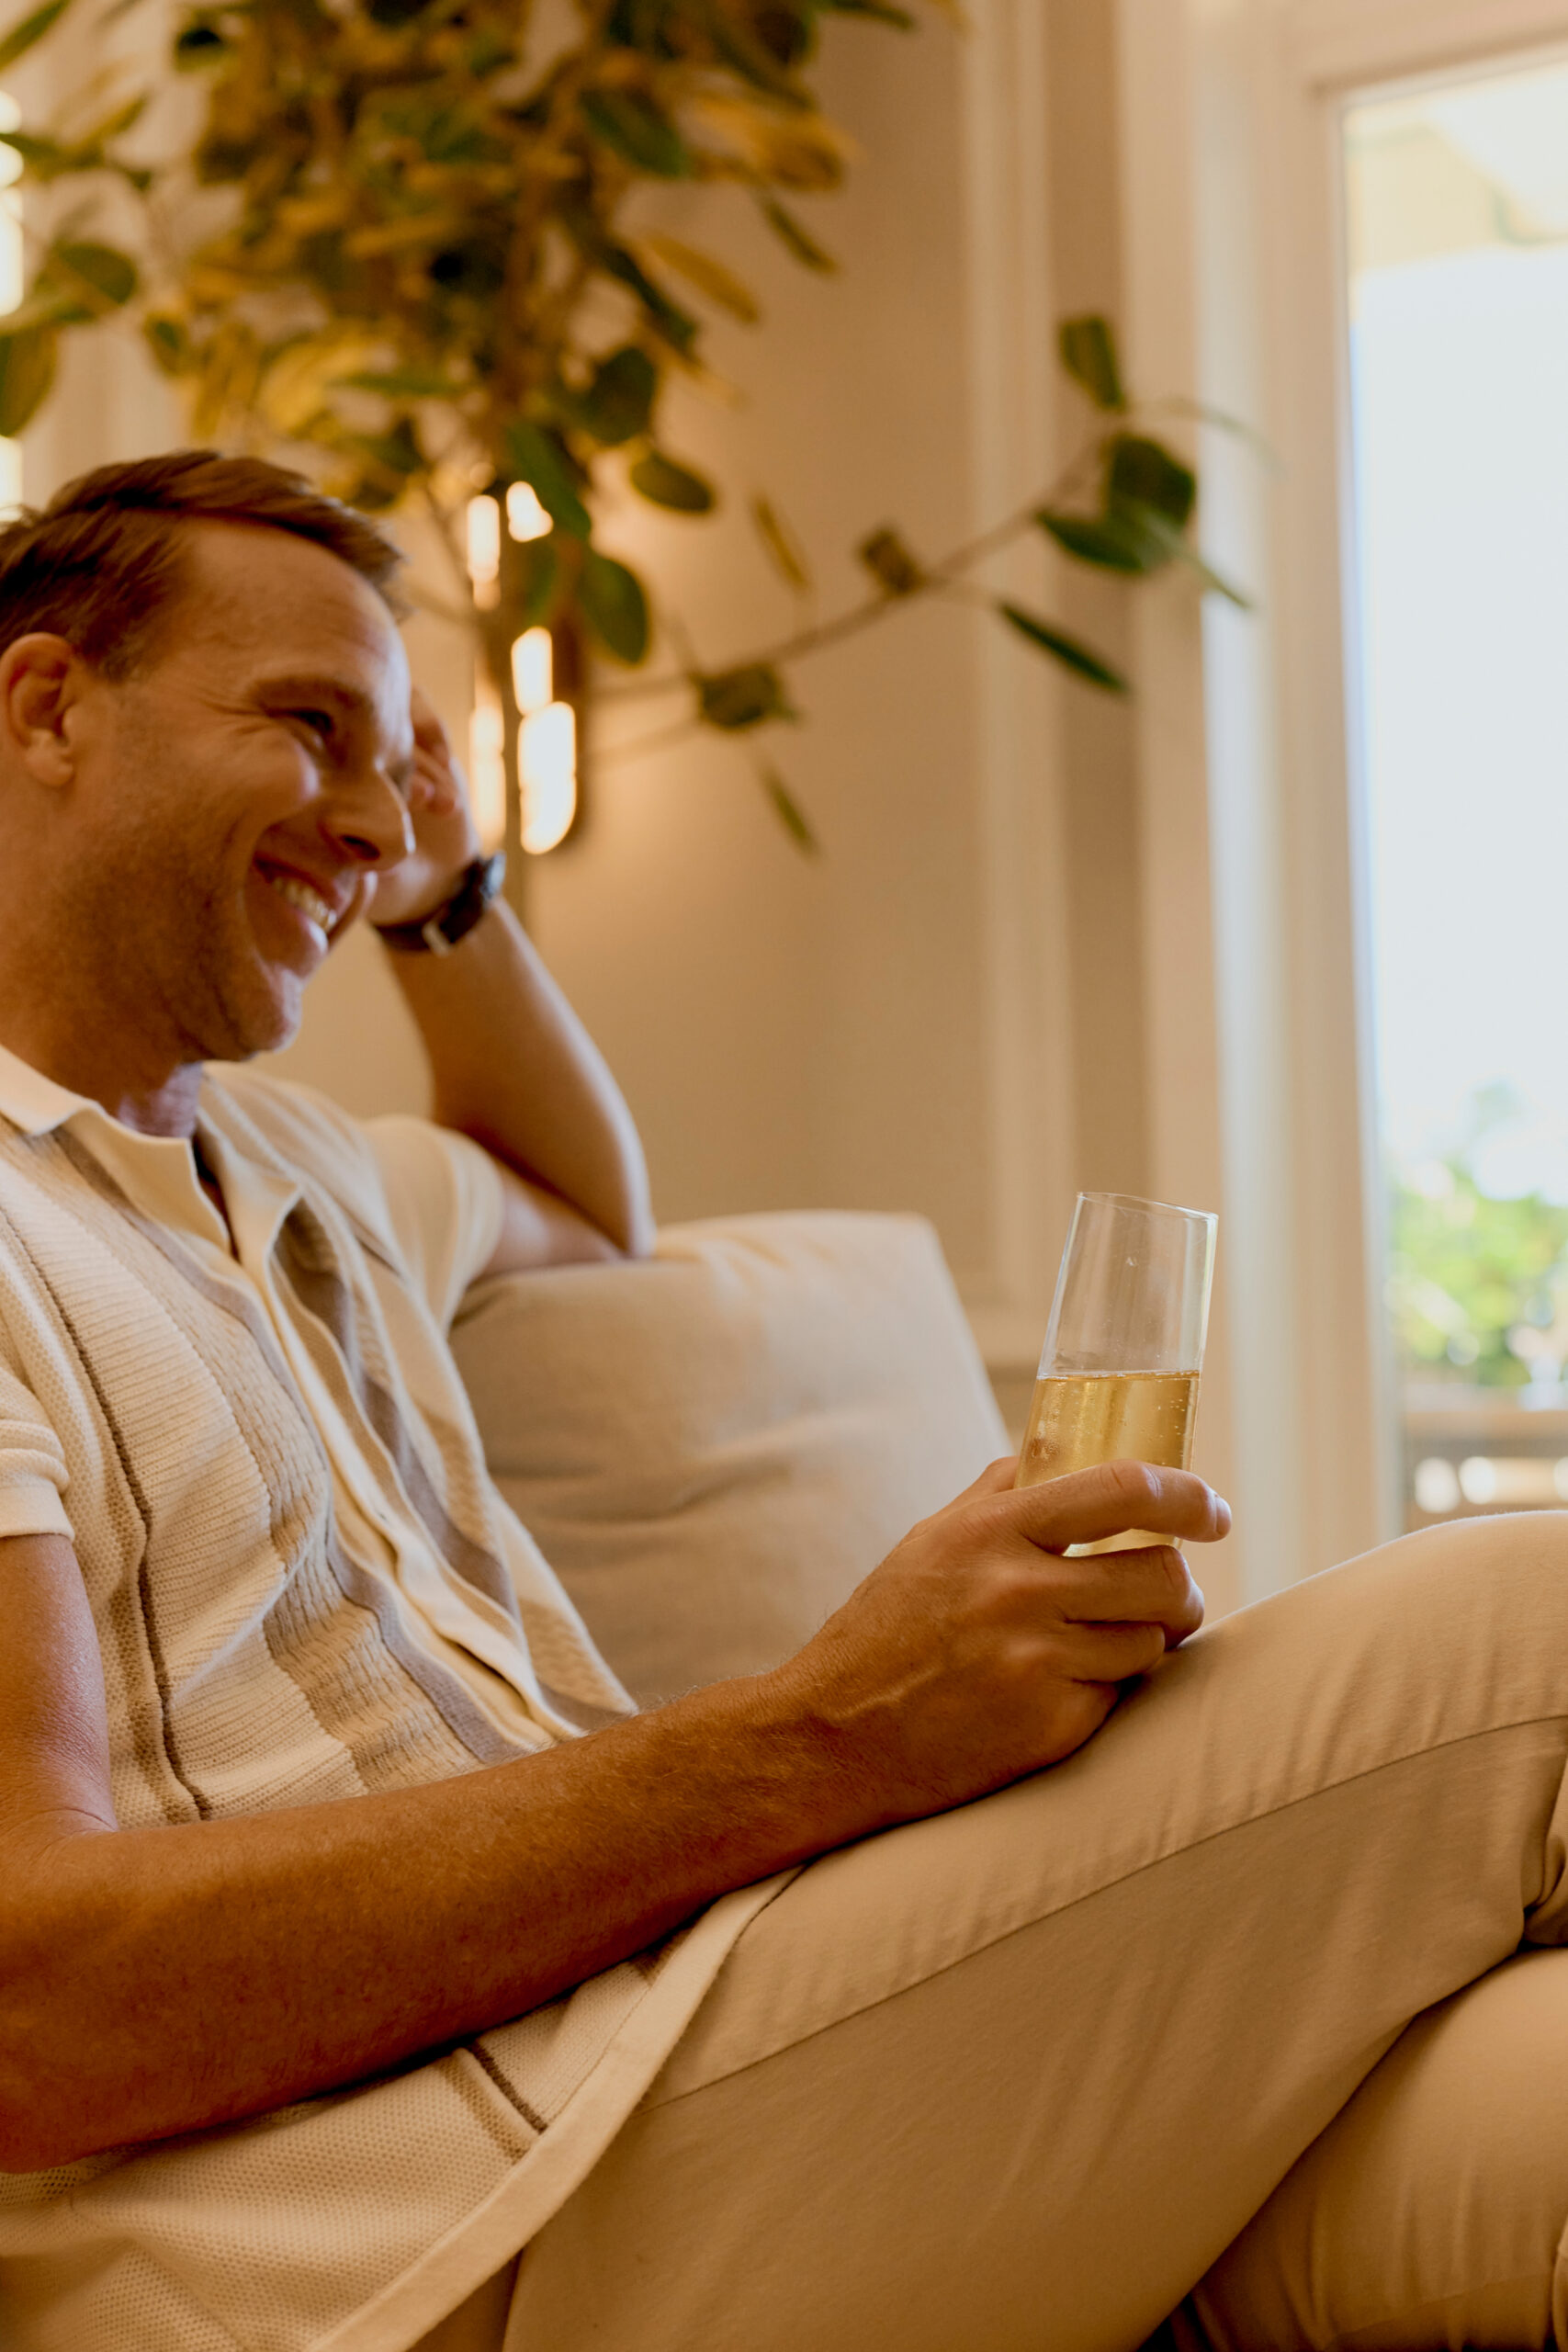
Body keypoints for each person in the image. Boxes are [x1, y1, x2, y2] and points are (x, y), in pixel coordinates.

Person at [0, 451, 1563, 2352]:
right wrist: (825, 1730)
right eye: (307, 727)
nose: (363, 813)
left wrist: (444, 890)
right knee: (1529, 1625)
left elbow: (580, 1198)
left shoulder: (290, 1166)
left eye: (395, 762)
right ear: (48, 705)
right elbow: (33, 2004)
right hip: (406, 2228)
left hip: (683, 2051)